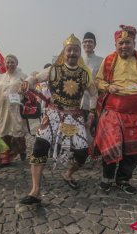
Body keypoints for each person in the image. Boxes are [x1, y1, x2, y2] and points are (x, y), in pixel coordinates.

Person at [19, 34, 98, 205]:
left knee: (82, 153)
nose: (72, 53)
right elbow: (35, 78)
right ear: (64, 51)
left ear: (79, 53)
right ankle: (35, 191)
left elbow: (93, 93)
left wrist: (91, 112)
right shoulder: (54, 70)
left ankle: (68, 173)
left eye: (76, 50)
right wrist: (27, 82)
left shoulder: (85, 74)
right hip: (53, 115)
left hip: (74, 117)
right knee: (40, 147)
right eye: (69, 50)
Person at [94, 25, 137, 194]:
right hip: (112, 112)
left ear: (134, 43)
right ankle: (106, 178)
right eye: (120, 43)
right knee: (110, 146)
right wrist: (108, 87)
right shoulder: (109, 59)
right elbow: (98, 81)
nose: (124, 46)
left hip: (135, 112)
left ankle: (123, 179)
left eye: (127, 42)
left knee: (133, 150)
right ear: (116, 45)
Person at [0, 54, 28, 167]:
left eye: (12, 62)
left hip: (17, 109)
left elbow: (29, 92)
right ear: (4, 64)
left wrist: (25, 92)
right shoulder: (0, 77)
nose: (10, 64)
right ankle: (5, 158)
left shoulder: (23, 76)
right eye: (8, 62)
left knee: (18, 132)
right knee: (3, 132)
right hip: (3, 110)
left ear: (17, 64)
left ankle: (22, 150)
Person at [81, 32, 103, 147]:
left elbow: (104, 80)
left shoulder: (101, 61)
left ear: (95, 45)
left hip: (94, 100)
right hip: (78, 100)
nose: (87, 44)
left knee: (93, 127)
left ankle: (94, 150)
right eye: (85, 42)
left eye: (90, 42)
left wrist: (95, 84)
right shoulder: (78, 59)